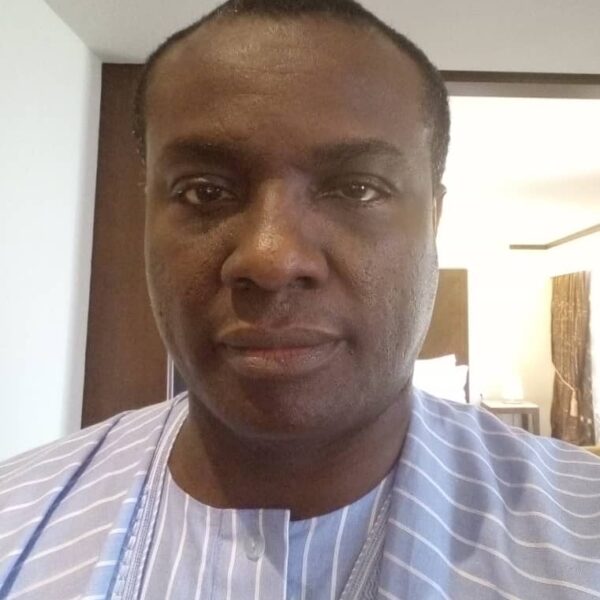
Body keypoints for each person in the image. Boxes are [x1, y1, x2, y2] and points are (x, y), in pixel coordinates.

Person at [1, 1, 600, 598]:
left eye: (357, 188)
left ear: (434, 219)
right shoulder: (15, 520)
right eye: (204, 191)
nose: (271, 259)